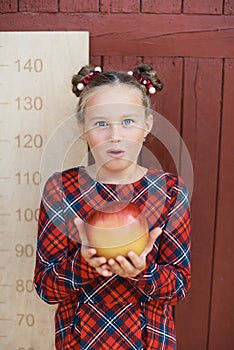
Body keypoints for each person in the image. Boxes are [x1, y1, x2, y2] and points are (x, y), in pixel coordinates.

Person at [34, 63, 191, 349]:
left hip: (150, 341)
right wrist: (84, 264)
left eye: (128, 121)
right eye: (100, 123)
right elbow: (46, 287)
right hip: (79, 342)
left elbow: (178, 286)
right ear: (83, 128)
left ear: (148, 125)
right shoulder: (61, 190)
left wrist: (142, 271)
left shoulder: (171, 192)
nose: (115, 135)